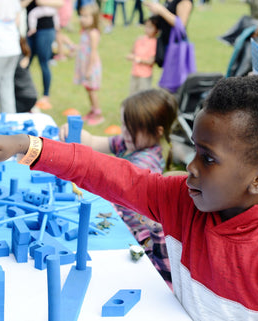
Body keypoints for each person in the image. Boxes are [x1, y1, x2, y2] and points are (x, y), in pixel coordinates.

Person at [0, 76, 258, 320]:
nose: (191, 168)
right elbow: (108, 173)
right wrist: (26, 145)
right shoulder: (183, 199)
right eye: (193, 151)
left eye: (208, 159)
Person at [60, 89, 177, 286]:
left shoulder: (145, 163)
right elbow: (95, 143)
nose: (125, 133)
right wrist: (76, 134)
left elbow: (104, 176)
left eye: (132, 128)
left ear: (156, 132)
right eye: (124, 125)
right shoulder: (130, 143)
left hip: (135, 236)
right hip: (119, 224)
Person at [21, 0, 63, 111]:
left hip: (46, 29)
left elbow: (60, 3)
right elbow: (20, 5)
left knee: (44, 62)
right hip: (30, 30)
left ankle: (45, 95)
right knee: (25, 63)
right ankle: (24, 95)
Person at [74, 3, 103, 126]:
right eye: (82, 16)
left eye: (86, 16)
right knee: (88, 89)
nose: (82, 19)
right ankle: (92, 110)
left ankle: (98, 114)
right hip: (84, 64)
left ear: (94, 18)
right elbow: (83, 47)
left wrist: (89, 69)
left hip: (91, 66)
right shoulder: (85, 31)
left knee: (92, 90)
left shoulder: (93, 33)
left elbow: (93, 52)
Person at [144, 0, 193, 68]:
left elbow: (181, 24)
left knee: (177, 75)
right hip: (165, 43)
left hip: (176, 45)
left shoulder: (184, 1)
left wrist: (161, 10)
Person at [125, 16, 159, 96]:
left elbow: (151, 61)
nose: (147, 30)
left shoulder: (155, 43)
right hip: (135, 72)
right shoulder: (140, 39)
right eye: (146, 27)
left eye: (150, 28)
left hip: (145, 75)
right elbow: (131, 53)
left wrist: (137, 59)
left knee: (143, 97)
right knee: (132, 95)